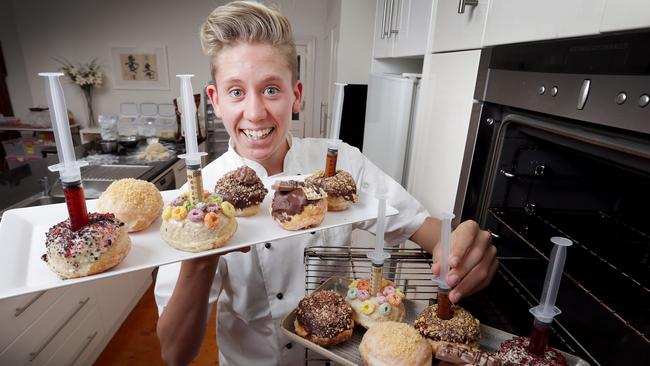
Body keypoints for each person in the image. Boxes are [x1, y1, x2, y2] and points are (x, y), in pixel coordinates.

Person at [155, 2, 497, 365]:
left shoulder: (341, 166)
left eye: (271, 90)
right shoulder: (195, 203)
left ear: (296, 95)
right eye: (236, 92)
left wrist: (460, 248)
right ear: (216, 101)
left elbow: (428, 231)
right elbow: (176, 353)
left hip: (337, 357)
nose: (255, 112)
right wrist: (201, 254)